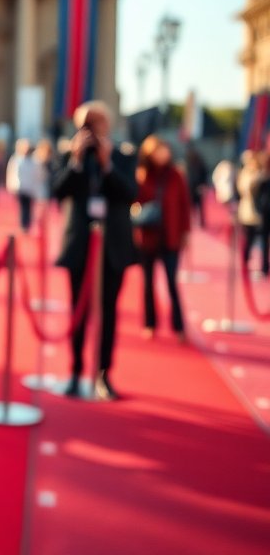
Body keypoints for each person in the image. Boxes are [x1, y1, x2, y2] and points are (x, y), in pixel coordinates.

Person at [53, 101, 138, 400]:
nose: (92, 129)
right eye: (86, 124)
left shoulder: (124, 156)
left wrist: (107, 164)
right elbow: (58, 192)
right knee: (78, 309)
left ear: (108, 125)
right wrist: (76, 162)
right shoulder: (70, 155)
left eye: (97, 123)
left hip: (112, 245)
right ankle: (75, 371)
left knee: (109, 312)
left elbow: (130, 194)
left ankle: (104, 373)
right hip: (80, 245)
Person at [133, 136, 191, 342]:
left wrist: (185, 232)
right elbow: (134, 201)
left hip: (171, 236)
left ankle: (179, 326)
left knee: (171, 283)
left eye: (164, 150)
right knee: (148, 283)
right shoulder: (142, 175)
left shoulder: (176, 175)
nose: (162, 154)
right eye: (157, 150)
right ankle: (150, 323)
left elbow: (185, 205)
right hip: (148, 236)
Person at [237, 151, 269, 276]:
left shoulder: (261, 175)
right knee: (249, 239)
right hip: (249, 211)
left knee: (261, 240)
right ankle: (245, 261)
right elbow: (245, 190)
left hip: (259, 212)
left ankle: (263, 266)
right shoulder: (247, 175)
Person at [6, 138, 44, 233]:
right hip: (20, 187)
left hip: (29, 188)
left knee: (28, 207)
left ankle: (27, 225)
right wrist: (12, 186)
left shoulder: (33, 161)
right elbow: (12, 174)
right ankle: (24, 225)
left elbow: (37, 175)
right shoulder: (16, 160)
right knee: (23, 207)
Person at [185, 142, 209, 230]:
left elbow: (204, 174)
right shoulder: (189, 163)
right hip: (191, 187)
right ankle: (194, 221)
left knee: (199, 206)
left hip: (196, 187)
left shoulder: (198, 163)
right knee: (193, 206)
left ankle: (201, 222)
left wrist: (203, 184)